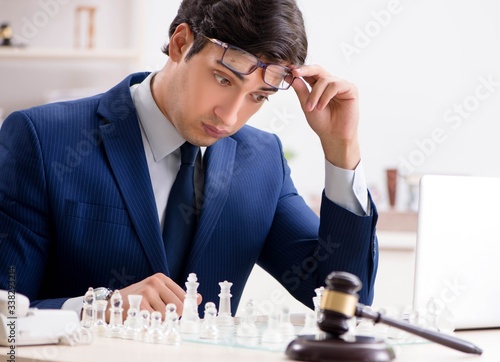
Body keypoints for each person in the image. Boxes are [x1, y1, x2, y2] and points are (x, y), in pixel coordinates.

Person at [0, 0, 378, 320]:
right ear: (181, 43)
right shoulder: (42, 138)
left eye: (259, 97)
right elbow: (7, 321)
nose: (230, 116)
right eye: (223, 79)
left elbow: (343, 302)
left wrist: (341, 148)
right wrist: (98, 308)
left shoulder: (262, 162)